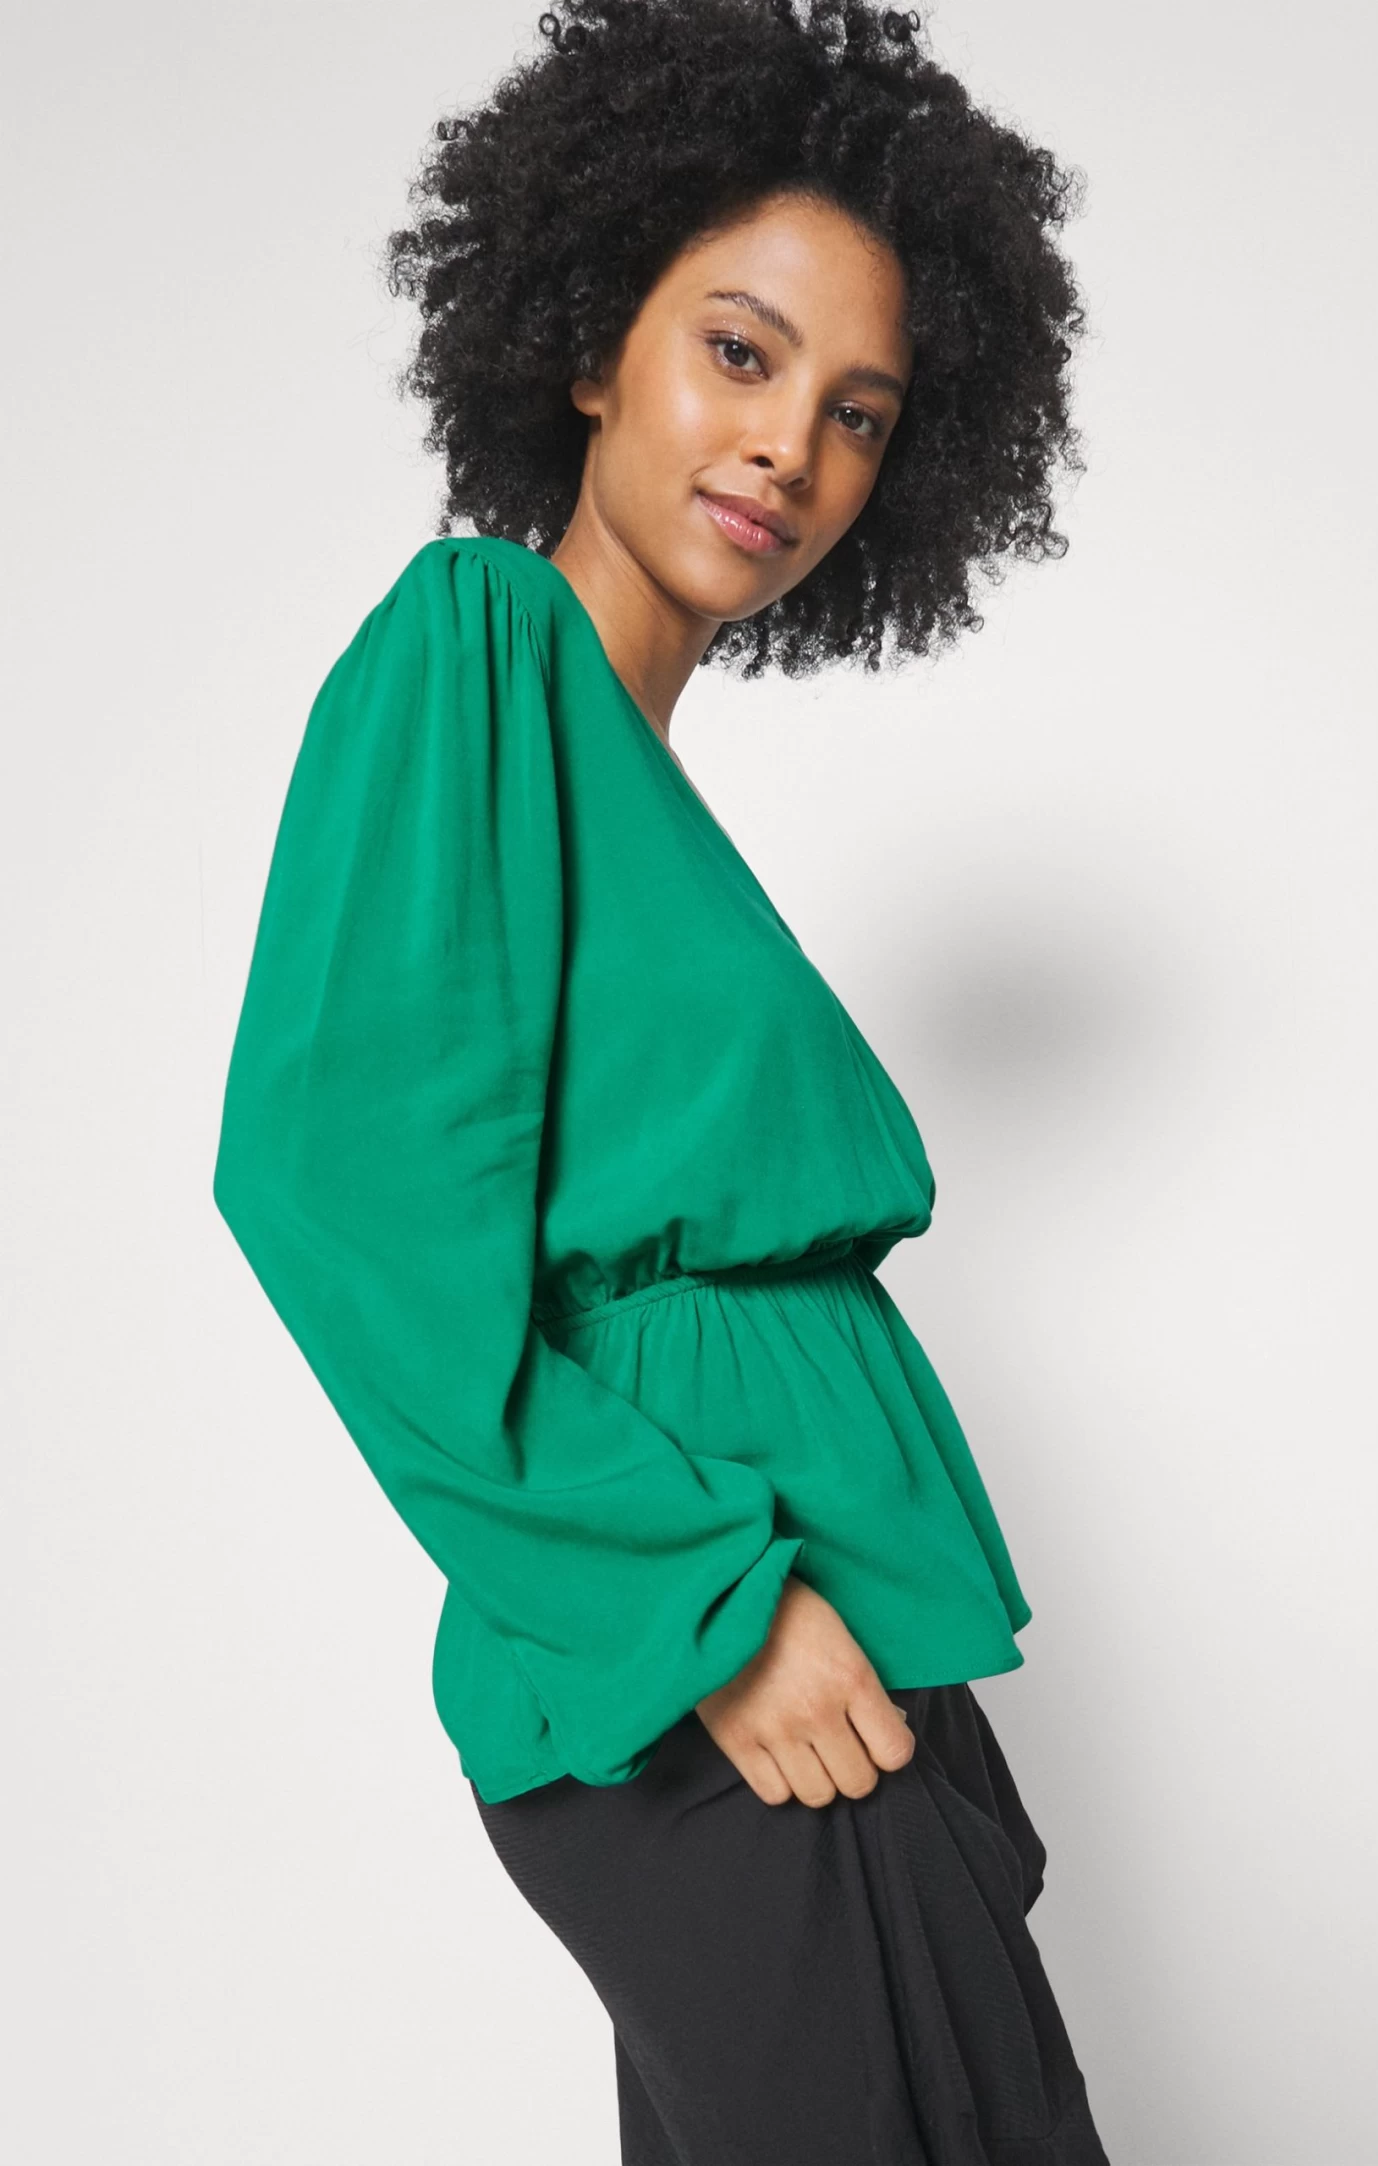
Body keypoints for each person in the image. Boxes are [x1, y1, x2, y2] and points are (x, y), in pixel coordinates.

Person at [213, 1, 1110, 2158]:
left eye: (858, 413)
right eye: (738, 352)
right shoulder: (476, 645)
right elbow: (336, 1188)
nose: (791, 447)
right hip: (718, 1654)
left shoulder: (636, 781)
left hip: (824, 1630)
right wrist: (711, 1611)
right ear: (591, 346)